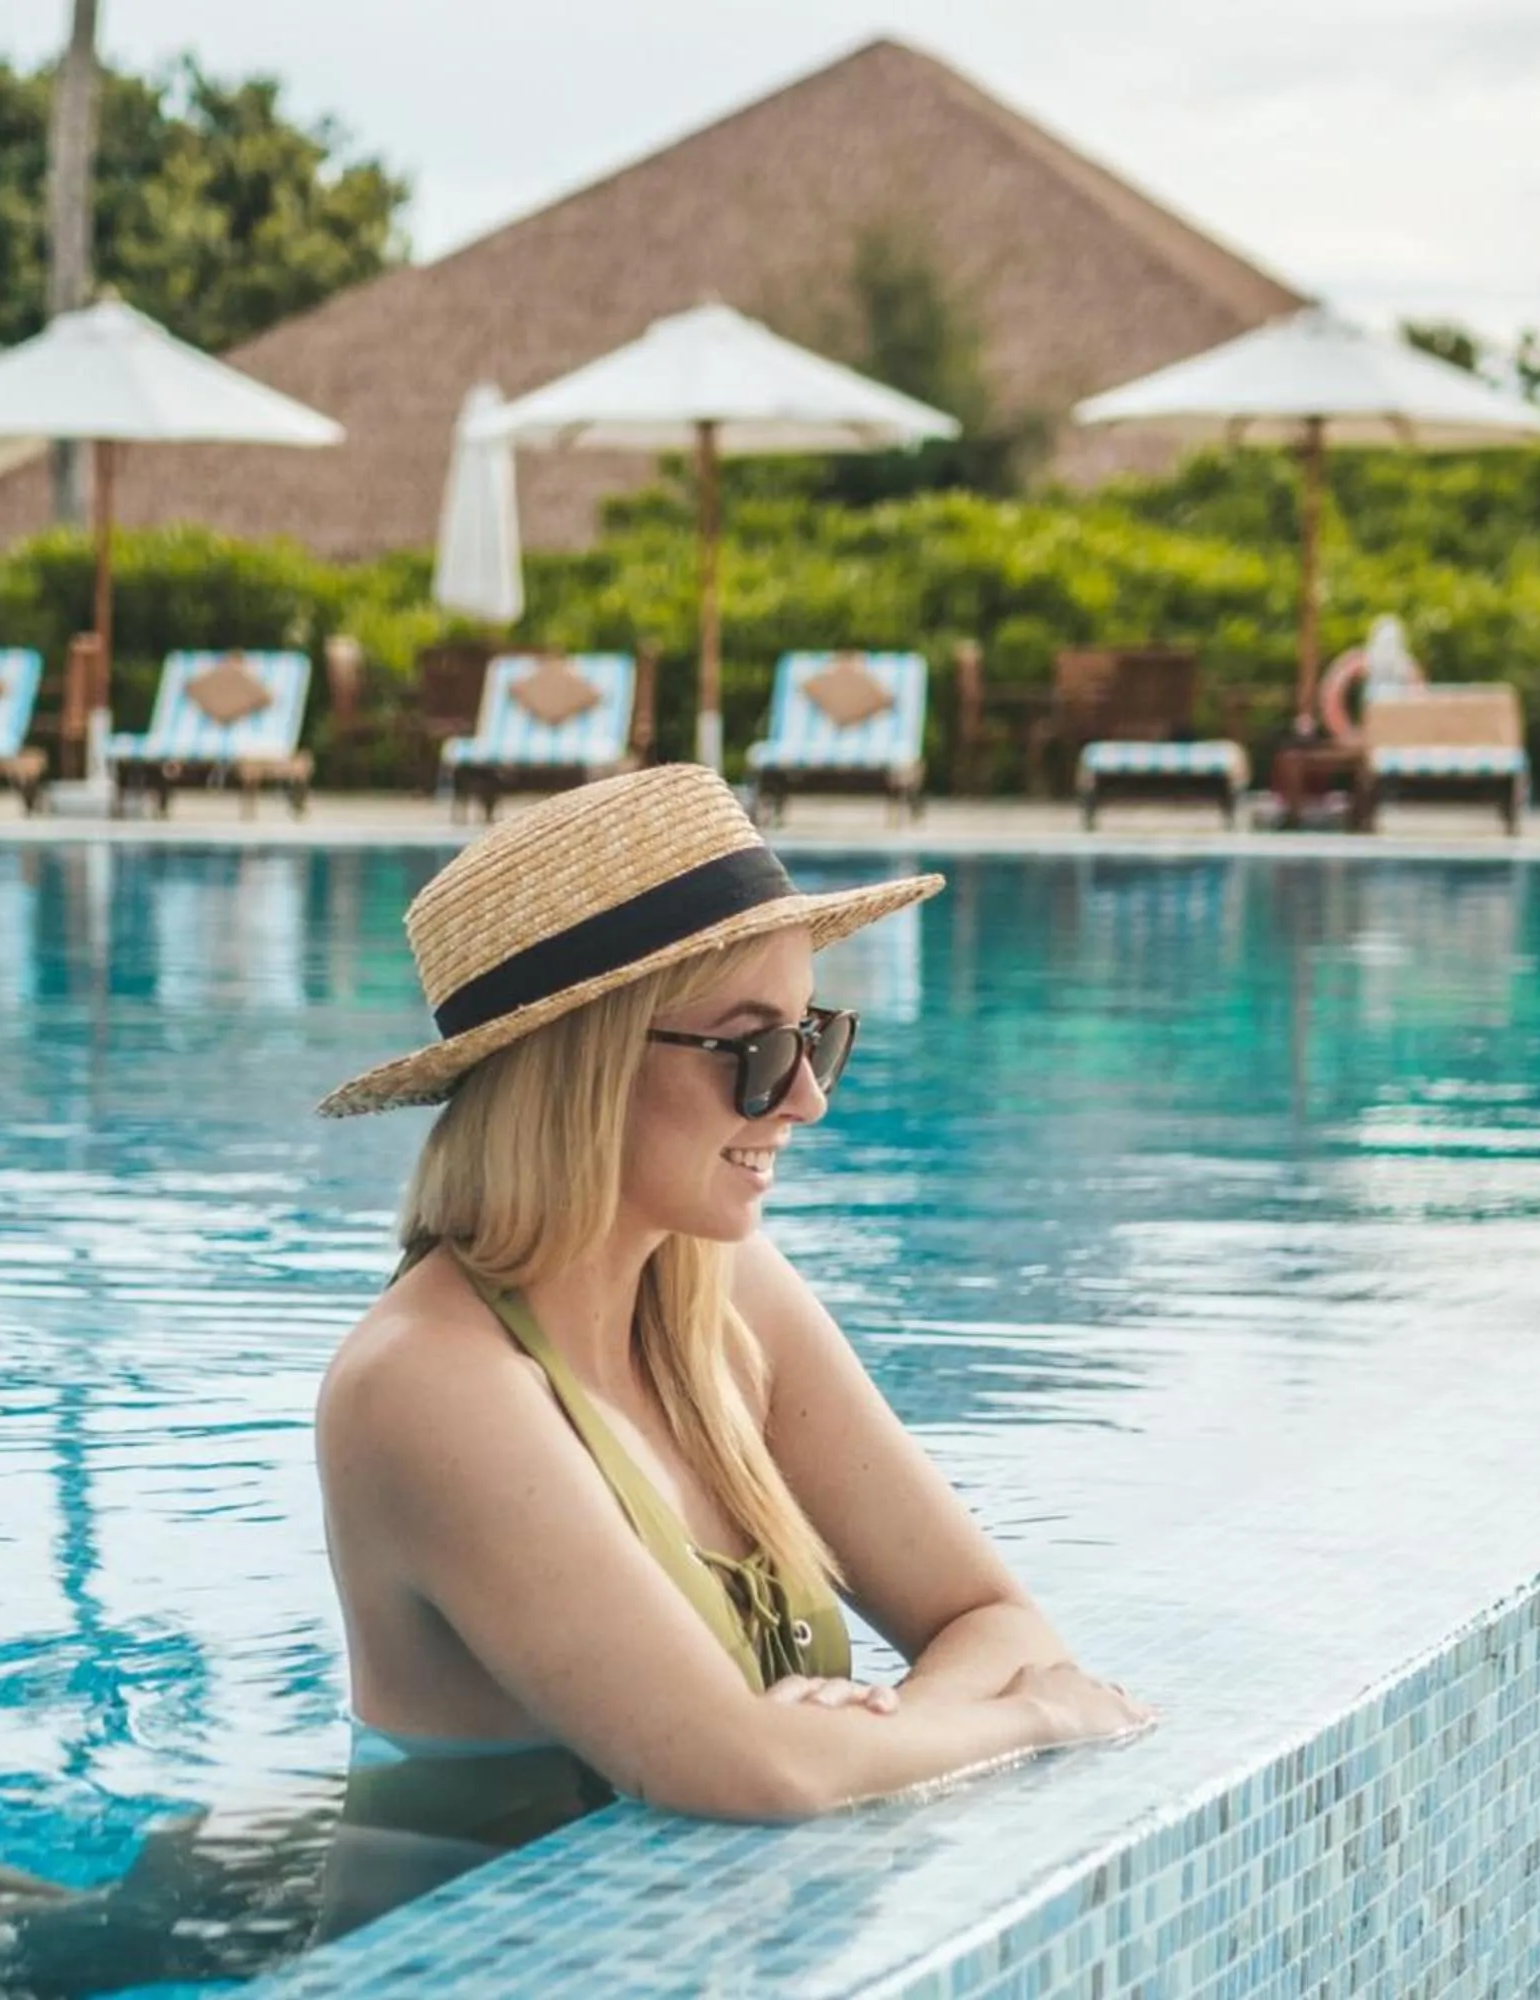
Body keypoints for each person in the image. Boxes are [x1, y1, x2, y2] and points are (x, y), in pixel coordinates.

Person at [310, 764, 1152, 1933]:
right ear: (585, 1063)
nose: (805, 1098)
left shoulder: (722, 1291)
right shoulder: (427, 1384)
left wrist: (871, 1735)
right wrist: (1032, 1721)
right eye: (753, 1049)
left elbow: (990, 1617)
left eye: (817, 1035)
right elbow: (747, 1773)